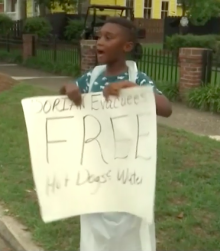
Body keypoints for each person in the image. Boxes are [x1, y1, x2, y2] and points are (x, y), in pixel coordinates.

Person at [59, 17, 172, 251]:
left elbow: (166, 108)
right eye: (99, 36)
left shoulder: (136, 78)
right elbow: (67, 93)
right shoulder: (92, 78)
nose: (99, 41)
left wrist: (136, 92)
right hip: (96, 172)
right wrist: (67, 88)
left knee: (129, 229)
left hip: (128, 173)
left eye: (108, 38)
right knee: (95, 229)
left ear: (127, 47)